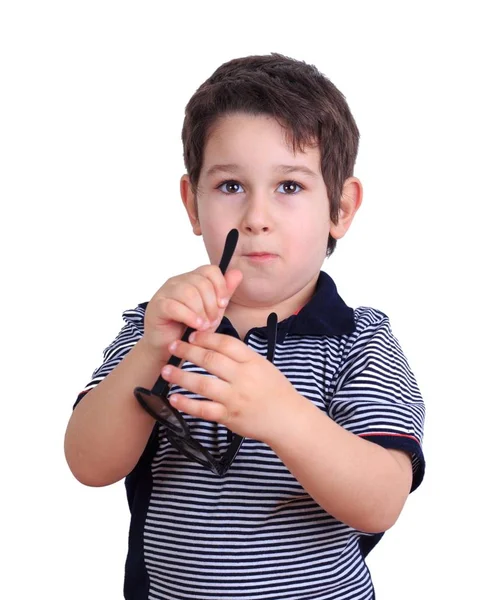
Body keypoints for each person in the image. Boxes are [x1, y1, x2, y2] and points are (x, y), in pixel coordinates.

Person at [64, 52, 426, 600]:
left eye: (290, 187)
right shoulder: (158, 325)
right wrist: (151, 350)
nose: (257, 216)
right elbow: (88, 463)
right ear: (193, 203)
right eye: (231, 186)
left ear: (341, 209)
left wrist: (284, 417)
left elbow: (382, 502)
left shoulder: (359, 340)